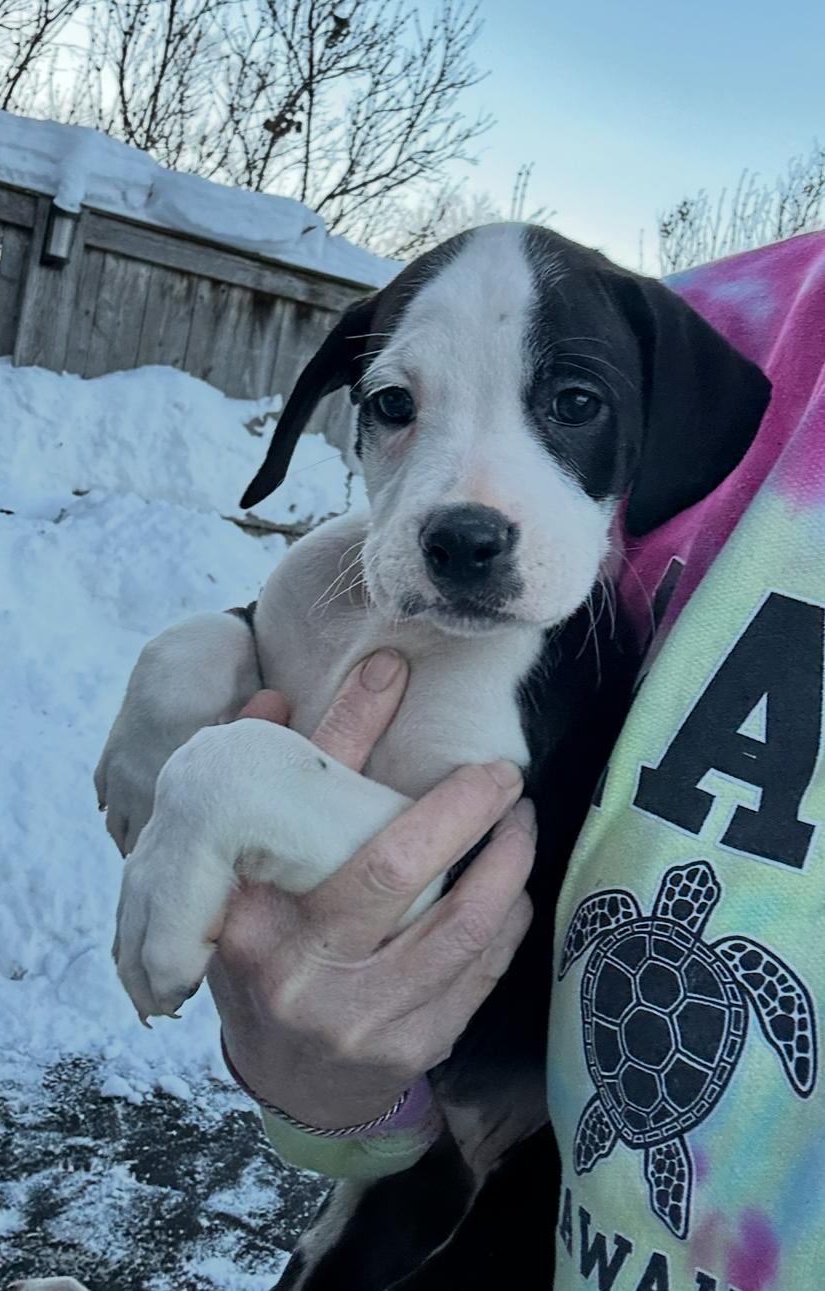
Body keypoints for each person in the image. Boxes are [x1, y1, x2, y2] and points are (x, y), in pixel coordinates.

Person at [209, 230, 825, 1290]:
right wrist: (326, 1075)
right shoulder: (689, 327)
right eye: (396, 405)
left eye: (569, 407)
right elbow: (358, 649)